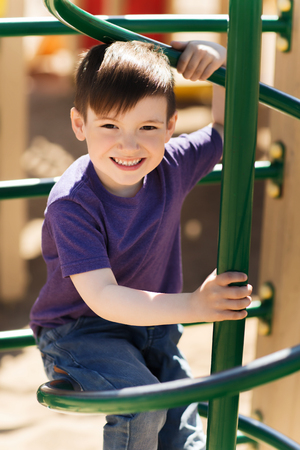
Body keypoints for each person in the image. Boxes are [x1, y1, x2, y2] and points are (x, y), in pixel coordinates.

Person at [30, 39, 252, 450]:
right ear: (80, 125)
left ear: (171, 126)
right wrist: (194, 305)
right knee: (144, 404)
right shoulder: (72, 203)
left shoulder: (172, 165)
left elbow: (225, 127)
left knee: (184, 434)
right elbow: (104, 297)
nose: (129, 146)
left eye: (147, 128)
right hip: (81, 331)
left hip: (155, 329)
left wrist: (220, 60)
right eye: (110, 126)